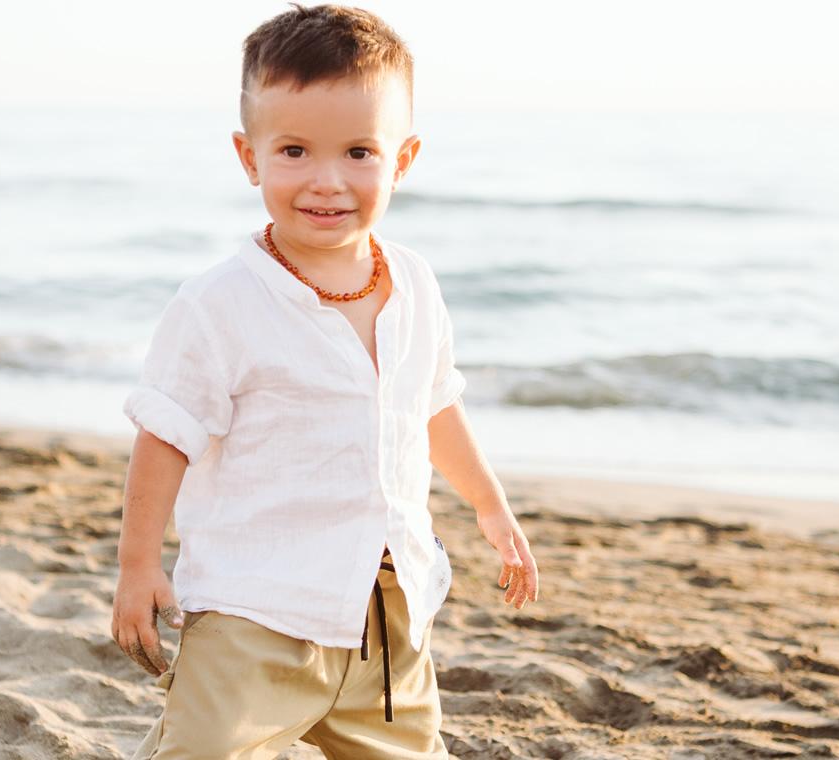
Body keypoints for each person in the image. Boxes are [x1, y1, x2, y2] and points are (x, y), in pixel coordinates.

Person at [112, 4, 539, 757]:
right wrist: (139, 566)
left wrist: (491, 507)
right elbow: (166, 434)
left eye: (359, 153)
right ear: (250, 158)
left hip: (387, 614)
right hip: (256, 612)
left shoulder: (414, 284)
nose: (327, 181)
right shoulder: (219, 304)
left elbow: (432, 405)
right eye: (295, 151)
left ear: (402, 160)